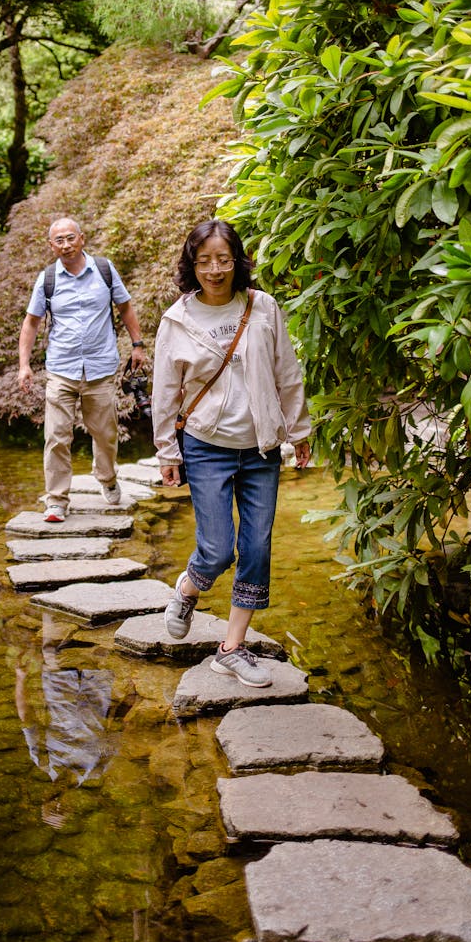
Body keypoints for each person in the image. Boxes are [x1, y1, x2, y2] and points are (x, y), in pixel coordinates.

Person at [152, 219, 311, 687]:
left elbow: (287, 370)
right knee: (219, 548)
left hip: (260, 446)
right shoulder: (176, 320)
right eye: (205, 261)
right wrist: (167, 450)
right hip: (205, 446)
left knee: (256, 548)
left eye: (223, 260)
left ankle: (232, 648)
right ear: (192, 265)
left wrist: (298, 431)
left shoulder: (262, 307)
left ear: (237, 261)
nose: (215, 269)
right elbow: (165, 391)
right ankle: (188, 587)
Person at [18, 216, 147, 521]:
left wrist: (138, 344)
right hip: (61, 369)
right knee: (56, 436)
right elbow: (31, 322)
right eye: (59, 240)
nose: (66, 245)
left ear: (82, 238)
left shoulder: (103, 269)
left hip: (100, 368)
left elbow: (125, 307)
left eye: (70, 238)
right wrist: (24, 365)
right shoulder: (47, 279)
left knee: (105, 433)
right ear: (52, 246)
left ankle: (106, 477)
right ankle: (57, 499)